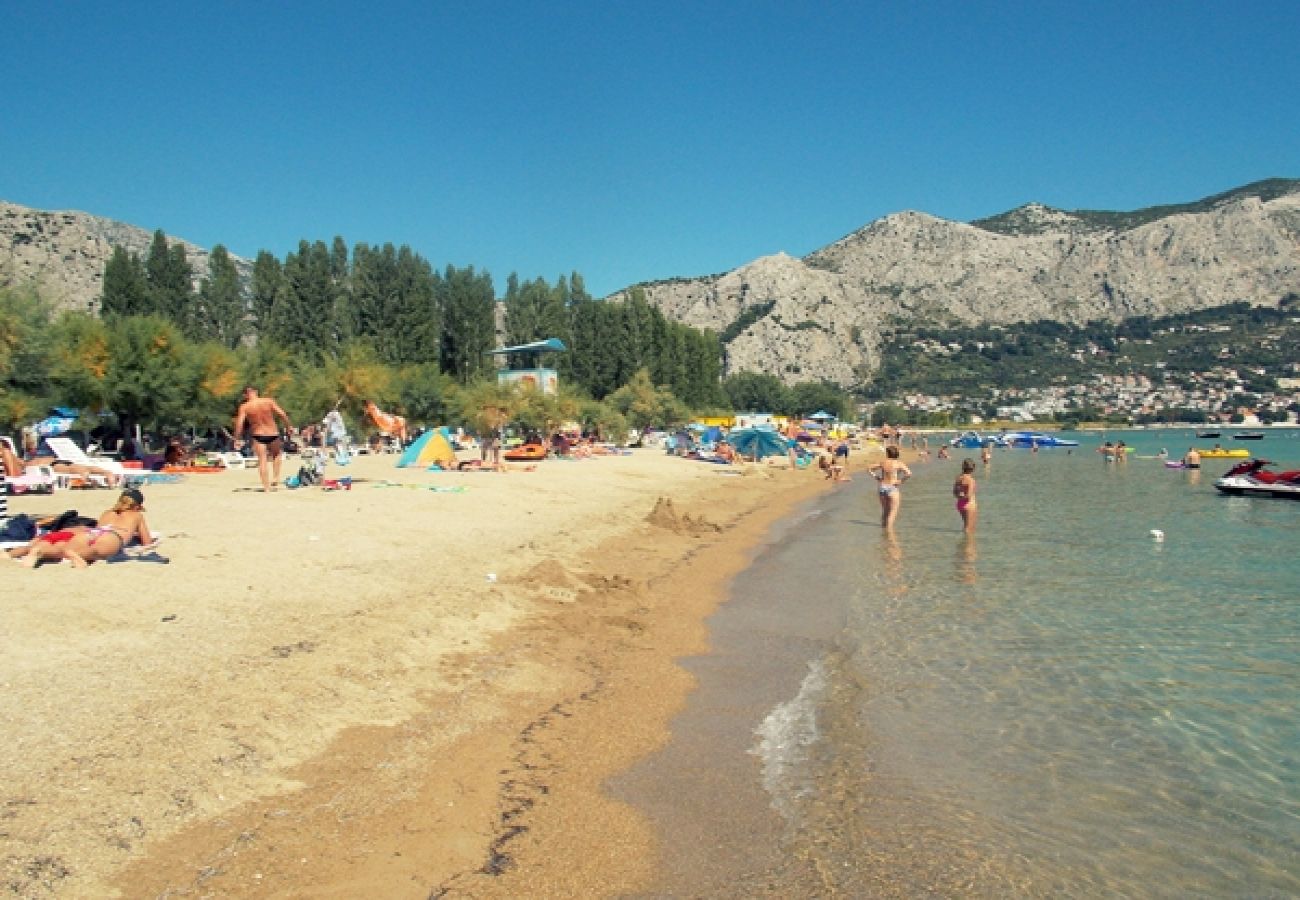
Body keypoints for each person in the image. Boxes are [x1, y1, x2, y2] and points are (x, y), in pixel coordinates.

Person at [8, 488, 153, 569]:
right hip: (113, 536)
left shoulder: (107, 512)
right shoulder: (136, 515)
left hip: (92, 532)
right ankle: (74, 555)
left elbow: (98, 530)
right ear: (138, 506)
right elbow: (147, 542)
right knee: (95, 551)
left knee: (63, 547)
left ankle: (37, 551)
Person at [233, 385, 294, 492]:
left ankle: (266, 487)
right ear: (256, 391)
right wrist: (288, 426)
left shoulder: (245, 407)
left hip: (258, 434)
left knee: (262, 460)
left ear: (245, 395)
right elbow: (282, 414)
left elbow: (239, 423)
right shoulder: (268, 401)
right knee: (277, 454)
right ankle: (275, 477)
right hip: (273, 433)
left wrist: (237, 438)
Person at [870, 445, 912, 530]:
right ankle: (889, 535)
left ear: (887, 454)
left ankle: (883, 531)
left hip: (882, 487)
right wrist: (901, 481)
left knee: (885, 511)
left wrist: (876, 477)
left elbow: (869, 468)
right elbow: (909, 473)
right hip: (892, 487)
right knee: (892, 513)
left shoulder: (883, 462)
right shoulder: (898, 463)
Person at [953, 458, 978, 533]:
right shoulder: (970, 480)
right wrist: (965, 497)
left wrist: (960, 497)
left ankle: (965, 543)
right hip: (969, 505)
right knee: (969, 528)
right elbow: (969, 495)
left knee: (966, 526)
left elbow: (954, 492)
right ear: (973, 468)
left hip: (960, 504)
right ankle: (968, 543)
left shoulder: (958, 478)